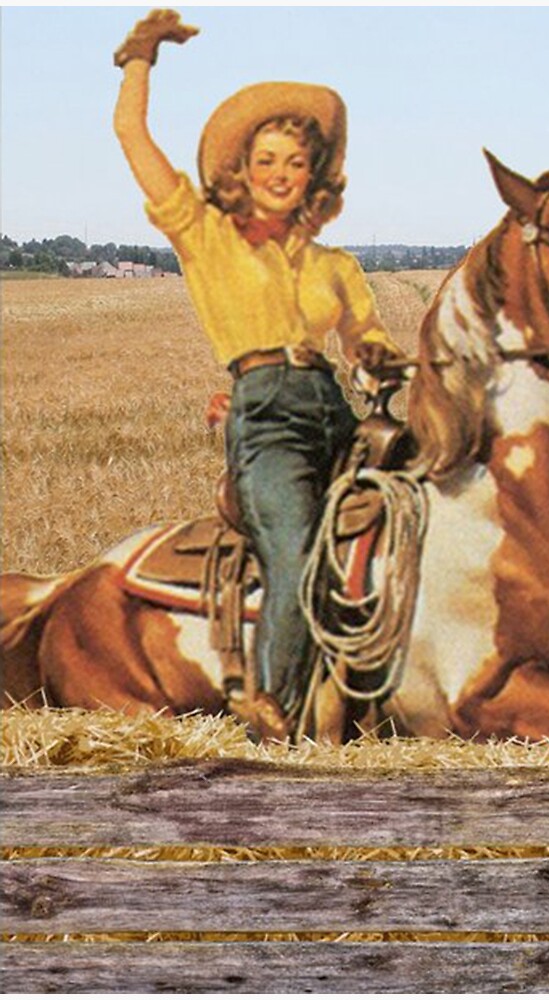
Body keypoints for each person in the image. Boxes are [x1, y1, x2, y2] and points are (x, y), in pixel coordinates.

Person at [113, 9, 402, 739]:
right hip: (268, 416)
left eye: (294, 163)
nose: (279, 175)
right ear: (240, 172)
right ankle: (272, 710)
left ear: (314, 176)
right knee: (295, 550)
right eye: (265, 160)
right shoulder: (205, 235)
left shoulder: (336, 266)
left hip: (334, 410)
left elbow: (367, 343)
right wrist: (141, 56)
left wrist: (386, 364)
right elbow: (132, 137)